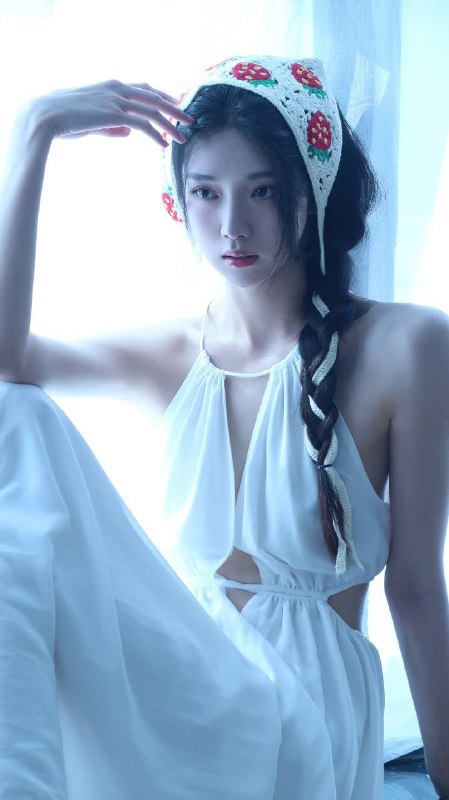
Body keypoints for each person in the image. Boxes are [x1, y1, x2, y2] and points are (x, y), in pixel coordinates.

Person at [0, 53, 448, 800]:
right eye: (205, 192)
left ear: (312, 192)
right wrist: (34, 128)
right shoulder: (173, 354)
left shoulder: (406, 346)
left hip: (302, 718)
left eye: (262, 191)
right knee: (16, 417)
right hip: (181, 693)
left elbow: (416, 586)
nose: (231, 225)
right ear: (179, 202)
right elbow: (6, 357)